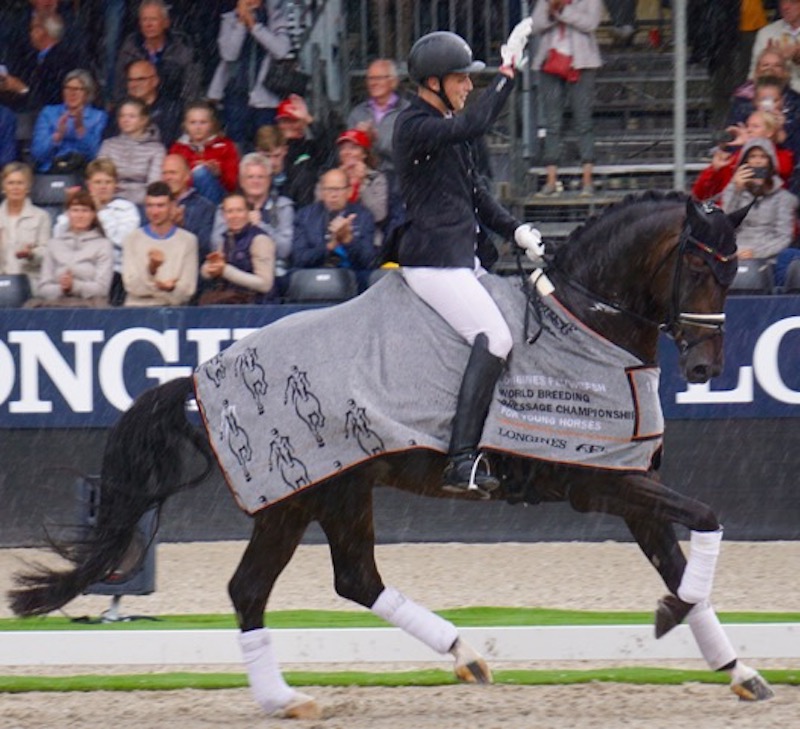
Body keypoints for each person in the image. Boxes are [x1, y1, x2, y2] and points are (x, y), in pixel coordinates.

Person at [392, 28, 544, 493]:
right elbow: (476, 124)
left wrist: (515, 230)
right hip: (434, 263)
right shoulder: (414, 125)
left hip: (464, 257)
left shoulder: (448, 125)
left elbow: (476, 194)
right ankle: (460, 460)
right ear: (433, 83)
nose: (468, 86)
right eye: (461, 79)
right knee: (494, 337)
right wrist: (506, 73)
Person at [531, 0, 603, 197]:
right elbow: (535, 24)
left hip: (582, 63)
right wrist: (551, 12)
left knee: (583, 121)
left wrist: (562, 11)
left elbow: (591, 23)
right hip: (550, 63)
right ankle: (551, 180)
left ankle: (587, 180)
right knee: (552, 123)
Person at [53, 157, 141, 306]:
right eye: (98, 182)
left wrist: (100, 212)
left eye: (108, 182)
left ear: (115, 184)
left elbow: (123, 241)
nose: (103, 187)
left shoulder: (126, 209)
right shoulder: (80, 209)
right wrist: (70, 208)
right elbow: (58, 237)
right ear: (89, 185)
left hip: (115, 273)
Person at [208, 0, 291, 147]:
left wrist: (255, 26)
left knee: (266, 147)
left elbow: (281, 50)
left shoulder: (275, 17)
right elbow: (228, 54)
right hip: (235, 96)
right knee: (236, 147)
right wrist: (241, 22)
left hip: (266, 99)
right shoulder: (230, 18)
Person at [211, 152, 293, 287]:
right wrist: (240, 223)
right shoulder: (225, 207)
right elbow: (216, 244)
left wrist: (260, 226)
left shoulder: (283, 206)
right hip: (232, 272)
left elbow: (285, 250)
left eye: (261, 177)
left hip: (273, 272)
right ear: (241, 181)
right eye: (250, 177)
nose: (256, 181)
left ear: (269, 180)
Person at [29, 188, 113, 307]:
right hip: (55, 305)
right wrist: (62, 288)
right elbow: (43, 288)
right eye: (75, 210)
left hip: (91, 306)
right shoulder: (54, 244)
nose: (80, 215)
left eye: (85, 211)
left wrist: (74, 286)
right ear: (68, 213)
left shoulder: (103, 245)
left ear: (93, 214)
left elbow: (102, 289)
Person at [721, 137, 799, 263]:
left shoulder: (783, 198)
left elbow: (784, 237)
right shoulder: (733, 191)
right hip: (734, 253)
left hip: (768, 257)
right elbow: (724, 225)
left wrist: (756, 253)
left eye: (763, 157)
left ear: (770, 162)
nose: (757, 162)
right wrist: (736, 191)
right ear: (745, 162)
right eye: (752, 156)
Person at [122, 180, 198, 306]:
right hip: (137, 310)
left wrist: (160, 288)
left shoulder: (188, 241)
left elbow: (187, 290)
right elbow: (132, 286)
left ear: (172, 206)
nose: (154, 212)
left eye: (160, 205)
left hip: (173, 311)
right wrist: (153, 274)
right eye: (150, 206)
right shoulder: (132, 239)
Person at [693, 109, 794, 201]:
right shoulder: (734, 158)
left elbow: (772, 170)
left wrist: (750, 143)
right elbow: (700, 194)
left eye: (755, 126)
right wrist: (714, 170)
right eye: (747, 126)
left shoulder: (782, 157)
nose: (748, 130)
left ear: (769, 133)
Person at [114, 0, 202, 107]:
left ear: (166, 22)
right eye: (144, 20)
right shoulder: (130, 47)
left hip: (173, 108)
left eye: (153, 19)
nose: (148, 24)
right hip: (136, 109)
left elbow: (191, 88)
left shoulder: (181, 48)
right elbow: (120, 87)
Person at [291, 167, 376, 274]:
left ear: (349, 191)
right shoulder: (305, 216)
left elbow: (368, 261)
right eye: (329, 190)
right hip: (315, 275)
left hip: (353, 276)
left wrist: (348, 241)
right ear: (321, 192)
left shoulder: (363, 216)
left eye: (338, 190)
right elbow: (299, 259)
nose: (333, 195)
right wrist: (330, 246)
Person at [199, 191, 276, 304]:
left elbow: (265, 285)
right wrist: (210, 268)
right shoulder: (226, 239)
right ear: (224, 215)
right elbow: (206, 272)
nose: (234, 216)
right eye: (229, 211)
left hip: (258, 305)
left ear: (248, 212)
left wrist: (225, 270)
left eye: (239, 210)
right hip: (231, 302)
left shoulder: (260, 240)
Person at [335, 127, 404, 249]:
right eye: (343, 148)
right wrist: (338, 181)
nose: (347, 152)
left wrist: (362, 184)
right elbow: (323, 210)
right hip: (336, 236)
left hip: (367, 237)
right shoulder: (331, 177)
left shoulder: (376, 178)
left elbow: (379, 214)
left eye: (353, 148)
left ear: (364, 154)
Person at [0, 12, 83, 113]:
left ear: (43, 31)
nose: (30, 33)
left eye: (33, 28)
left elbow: (49, 98)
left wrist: (21, 88)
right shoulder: (36, 57)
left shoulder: (61, 60)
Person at [30, 69, 108, 173]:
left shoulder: (98, 117)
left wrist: (80, 130)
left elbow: (95, 155)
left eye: (77, 89)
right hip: (51, 170)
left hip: (83, 172)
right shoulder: (48, 113)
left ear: (87, 93)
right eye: (68, 88)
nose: (72, 93)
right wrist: (57, 136)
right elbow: (38, 155)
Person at [346, 58, 410, 180]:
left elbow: (408, 154)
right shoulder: (357, 113)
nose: (373, 83)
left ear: (393, 81)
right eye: (370, 78)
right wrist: (362, 143)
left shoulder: (407, 112)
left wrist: (374, 140)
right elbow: (348, 153)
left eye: (379, 78)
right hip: (364, 180)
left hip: (399, 180)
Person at [169, 100, 239, 204]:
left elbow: (232, 185)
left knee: (201, 173)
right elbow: (171, 179)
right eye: (193, 122)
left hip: (219, 198)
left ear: (212, 124)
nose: (198, 127)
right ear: (185, 125)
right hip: (184, 196)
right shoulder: (177, 148)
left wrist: (218, 174)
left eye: (203, 122)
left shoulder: (225, 146)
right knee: (199, 173)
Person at [98, 97, 166, 205]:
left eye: (131, 116)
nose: (125, 120)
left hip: (141, 203)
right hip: (111, 200)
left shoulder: (157, 149)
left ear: (144, 120)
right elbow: (100, 176)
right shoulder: (108, 145)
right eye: (122, 116)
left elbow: (154, 184)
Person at [274, 94, 338, 207]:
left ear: (302, 123)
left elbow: (330, 149)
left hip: (306, 209)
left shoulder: (310, 147)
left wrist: (309, 120)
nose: (288, 126)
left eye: (293, 121)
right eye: (284, 121)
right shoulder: (271, 150)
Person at [0, 162, 52, 290]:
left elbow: (47, 253)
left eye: (20, 183)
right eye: (11, 183)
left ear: (28, 187)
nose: (15, 187)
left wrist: (31, 254)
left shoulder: (41, 216)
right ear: (3, 187)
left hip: (30, 283)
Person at [161, 153, 215, 263]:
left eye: (173, 173)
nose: (168, 178)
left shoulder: (205, 207)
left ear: (187, 176)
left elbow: (203, 249)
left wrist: (180, 228)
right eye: (164, 173)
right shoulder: (153, 205)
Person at [254, 122, 317, 207]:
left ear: (285, 150)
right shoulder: (250, 178)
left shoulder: (301, 177)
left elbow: (305, 211)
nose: (272, 162)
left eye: (277, 155)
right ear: (257, 152)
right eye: (267, 156)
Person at [122, 59, 183, 147]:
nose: (134, 84)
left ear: (155, 81)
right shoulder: (120, 109)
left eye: (140, 79)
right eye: (130, 80)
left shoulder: (173, 109)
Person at [750, 0, 800, 94]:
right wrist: (770, 61)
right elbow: (753, 76)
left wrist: (797, 58)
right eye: (782, 1)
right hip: (772, 96)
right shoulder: (766, 33)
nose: (785, 7)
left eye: (792, 2)